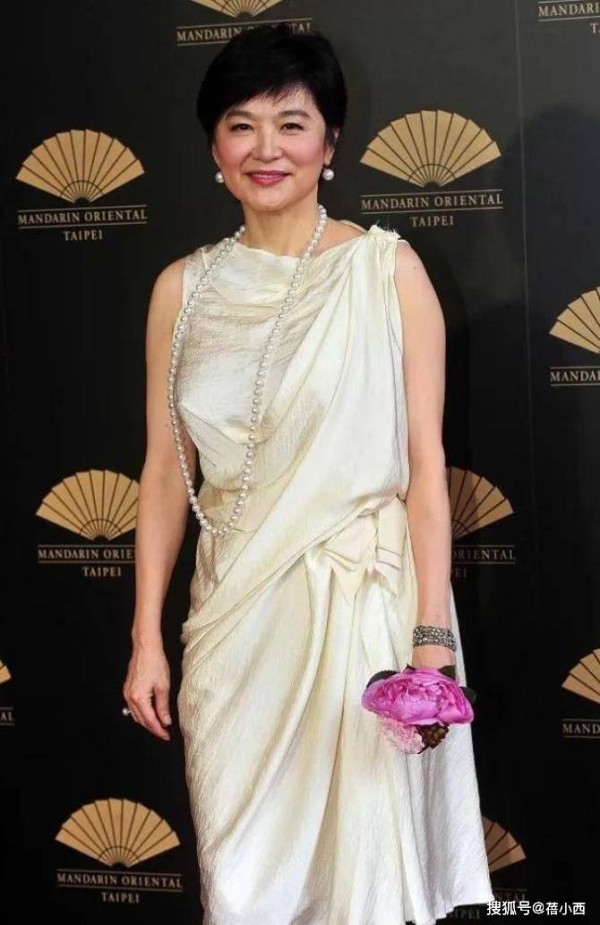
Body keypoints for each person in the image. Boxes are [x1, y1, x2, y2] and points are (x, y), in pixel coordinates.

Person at [123, 23, 495, 925]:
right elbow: (166, 473)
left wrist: (431, 640)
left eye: (292, 123)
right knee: (241, 884)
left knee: (362, 884)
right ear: (213, 148)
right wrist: (145, 638)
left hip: (360, 623)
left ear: (330, 144)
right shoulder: (183, 289)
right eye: (241, 125)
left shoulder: (385, 270)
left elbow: (425, 470)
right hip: (234, 623)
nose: (267, 148)